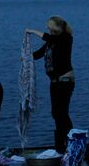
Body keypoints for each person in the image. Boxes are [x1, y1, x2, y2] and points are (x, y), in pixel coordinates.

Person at [26, 15, 74, 154]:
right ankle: (61, 146)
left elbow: (48, 37)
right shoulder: (51, 41)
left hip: (65, 82)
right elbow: (40, 53)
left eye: (51, 26)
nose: (49, 29)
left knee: (62, 114)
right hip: (54, 82)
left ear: (59, 27)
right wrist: (27, 57)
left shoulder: (65, 38)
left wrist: (32, 31)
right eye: (48, 27)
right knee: (56, 113)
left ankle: (69, 144)